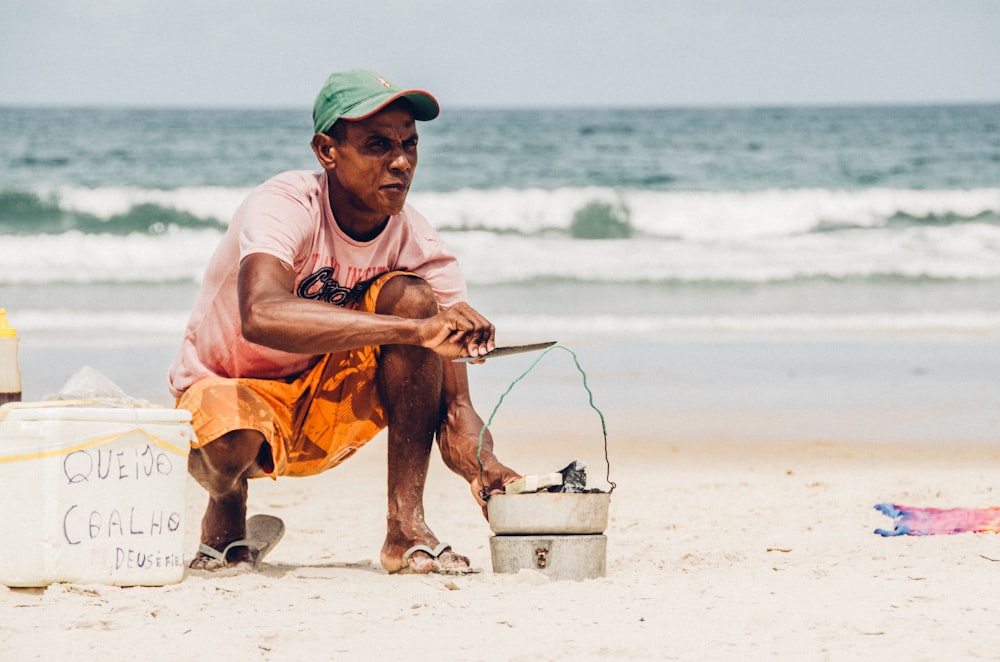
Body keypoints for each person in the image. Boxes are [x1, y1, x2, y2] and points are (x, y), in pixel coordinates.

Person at [168, 68, 520, 574]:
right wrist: (415, 332)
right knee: (228, 447)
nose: (401, 161)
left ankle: (405, 530)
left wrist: (489, 472)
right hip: (229, 387)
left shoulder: (423, 250)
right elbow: (260, 314)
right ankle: (227, 506)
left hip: (327, 402)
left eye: (410, 144)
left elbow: (457, 410)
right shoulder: (286, 204)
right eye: (378, 144)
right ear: (326, 151)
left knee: (413, 299)